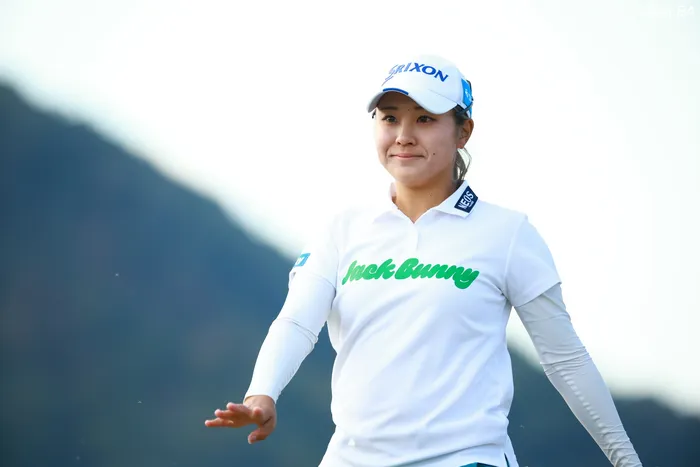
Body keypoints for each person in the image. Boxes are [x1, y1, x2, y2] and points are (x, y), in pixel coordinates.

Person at [205, 54, 643, 467]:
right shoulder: (342, 229)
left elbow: (565, 360)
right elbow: (297, 323)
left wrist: (626, 459)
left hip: (468, 458)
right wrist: (262, 393)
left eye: (425, 119)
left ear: (463, 132)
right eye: (390, 118)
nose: (404, 135)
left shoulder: (509, 233)